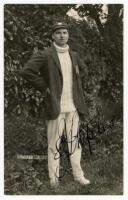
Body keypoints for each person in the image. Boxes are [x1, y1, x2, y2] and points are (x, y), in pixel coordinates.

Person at [21, 22, 90, 188]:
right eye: (58, 32)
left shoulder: (74, 55)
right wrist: (45, 87)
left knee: (75, 143)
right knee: (54, 144)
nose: (62, 35)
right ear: (53, 36)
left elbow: (84, 71)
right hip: (55, 108)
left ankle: (78, 176)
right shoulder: (45, 54)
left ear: (68, 35)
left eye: (65, 32)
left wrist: (77, 88)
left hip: (73, 107)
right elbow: (26, 71)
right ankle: (54, 179)